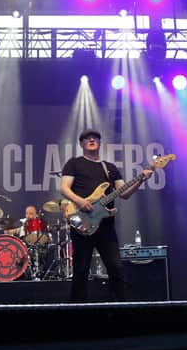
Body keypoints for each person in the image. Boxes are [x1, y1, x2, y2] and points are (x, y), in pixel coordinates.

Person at [60, 128, 154, 302]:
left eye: (95, 137)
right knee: (81, 271)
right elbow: (64, 188)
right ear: (81, 144)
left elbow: (124, 193)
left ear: (99, 142)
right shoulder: (74, 163)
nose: (91, 140)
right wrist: (80, 201)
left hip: (106, 226)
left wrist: (141, 178)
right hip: (83, 222)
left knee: (116, 268)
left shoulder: (109, 168)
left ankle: (120, 309)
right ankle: (75, 311)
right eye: (87, 138)